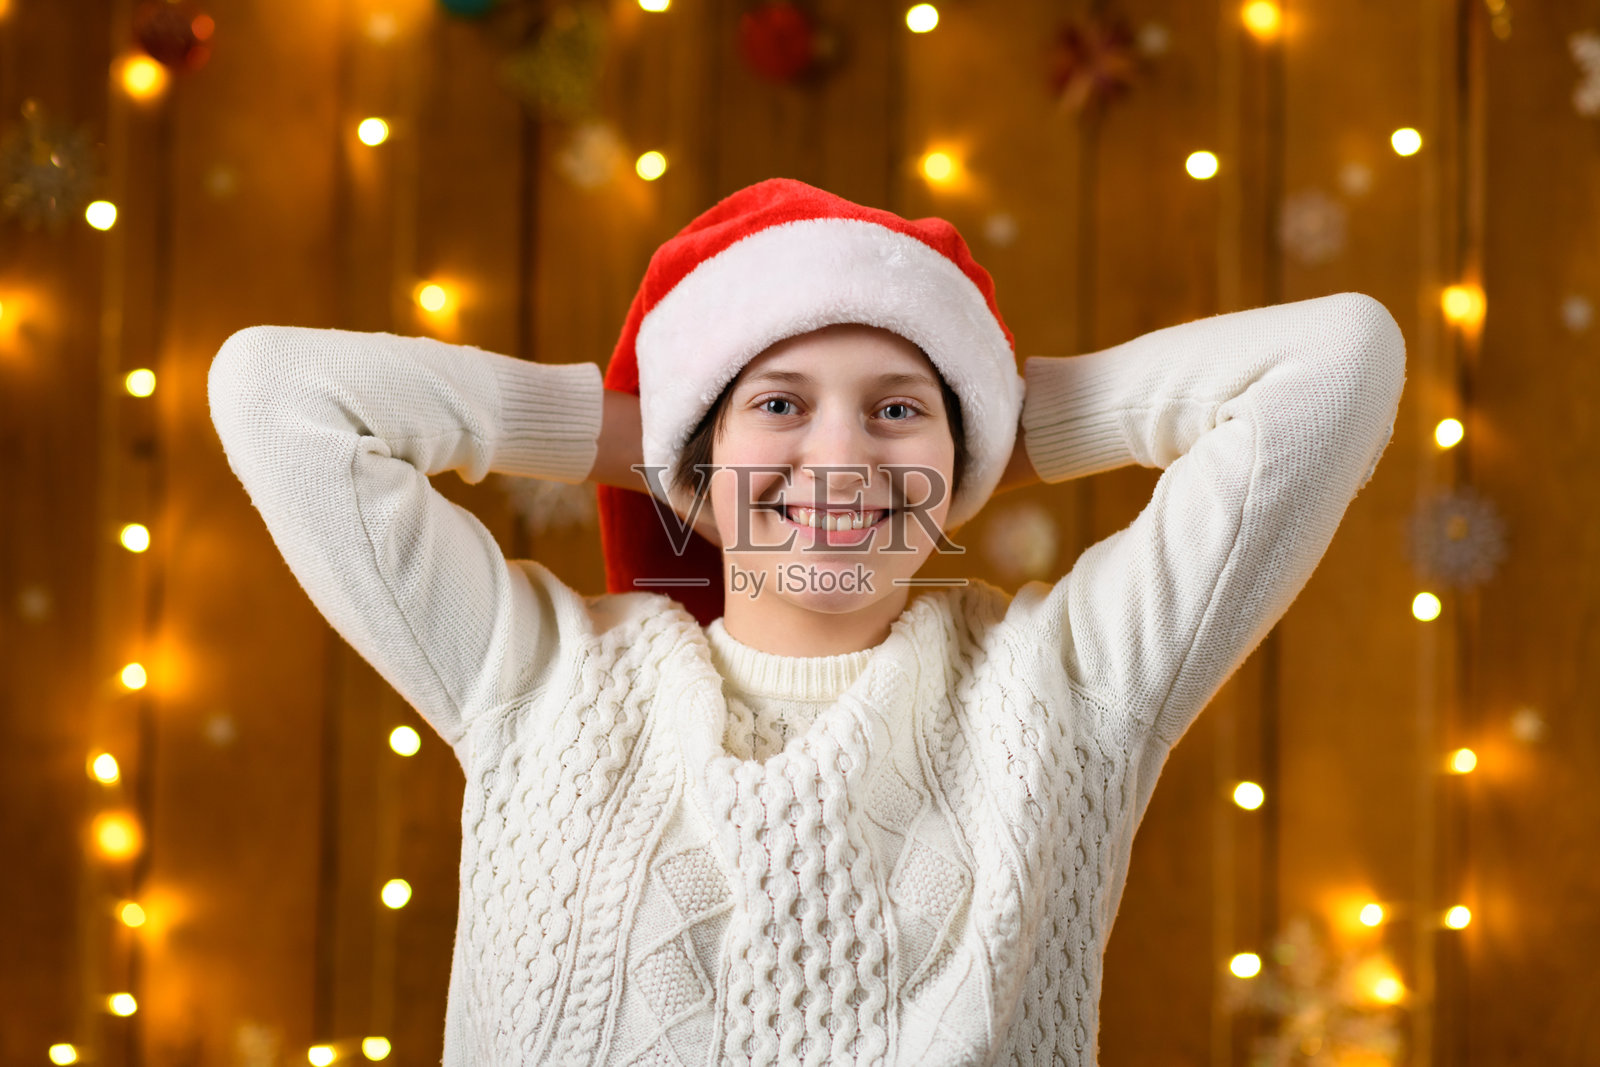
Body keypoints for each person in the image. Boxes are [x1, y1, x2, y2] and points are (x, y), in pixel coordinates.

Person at [207, 177, 1406, 1065]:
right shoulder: (542, 678)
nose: (838, 453)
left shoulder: (1067, 687)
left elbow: (1337, 362)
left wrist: (988, 437)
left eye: (895, 408)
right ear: (692, 461)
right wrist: (651, 440)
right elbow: (274, 390)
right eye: (780, 402)